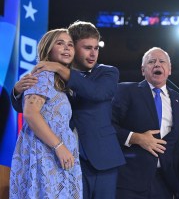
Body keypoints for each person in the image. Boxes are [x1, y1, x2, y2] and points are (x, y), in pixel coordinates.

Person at [11, 21, 125, 199]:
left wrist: (58, 67)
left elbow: (96, 92)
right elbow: (29, 110)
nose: (93, 53)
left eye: (96, 48)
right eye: (87, 48)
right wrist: (18, 91)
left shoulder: (108, 72)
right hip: (63, 158)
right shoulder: (50, 76)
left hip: (101, 159)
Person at [112, 47, 179, 199]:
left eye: (162, 61)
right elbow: (108, 126)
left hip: (165, 182)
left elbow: (177, 145)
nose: (157, 64)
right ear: (143, 70)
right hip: (129, 180)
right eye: (151, 61)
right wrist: (136, 138)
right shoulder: (125, 91)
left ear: (169, 70)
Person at [9, 28, 82, 198]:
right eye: (60, 43)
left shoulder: (60, 80)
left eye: (70, 45)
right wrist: (59, 146)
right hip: (45, 151)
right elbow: (30, 113)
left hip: (56, 153)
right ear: (48, 48)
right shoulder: (43, 75)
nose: (66, 48)